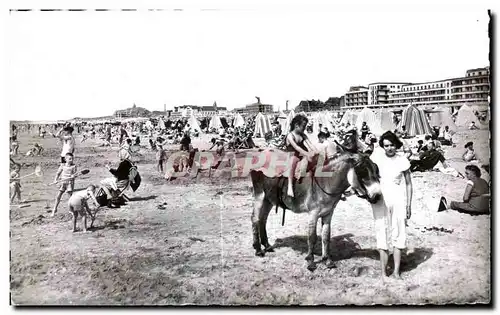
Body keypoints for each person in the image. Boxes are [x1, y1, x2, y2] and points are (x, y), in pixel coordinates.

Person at [370, 131, 413, 281]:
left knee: (398, 231)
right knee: (381, 230)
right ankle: (383, 272)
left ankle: (396, 272)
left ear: (396, 145)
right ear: (382, 146)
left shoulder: (402, 160)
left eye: (392, 145)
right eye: (386, 145)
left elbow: (408, 184)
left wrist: (409, 204)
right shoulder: (377, 158)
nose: (389, 148)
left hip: (397, 197)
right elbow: (367, 174)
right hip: (381, 198)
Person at [286, 115, 316, 197]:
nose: (305, 128)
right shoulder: (290, 136)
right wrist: (306, 154)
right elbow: (296, 147)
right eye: (303, 126)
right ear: (296, 125)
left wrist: (316, 151)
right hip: (293, 154)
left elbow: (310, 144)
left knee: (315, 161)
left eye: (305, 126)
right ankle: (290, 186)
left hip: (302, 154)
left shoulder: (303, 135)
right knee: (292, 163)